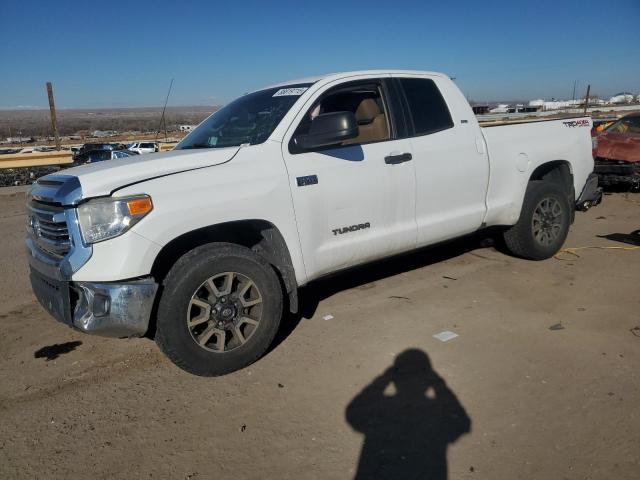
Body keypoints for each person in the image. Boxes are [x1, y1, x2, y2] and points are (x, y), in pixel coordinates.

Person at [346, 349, 471, 480]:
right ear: (427, 380)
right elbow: (462, 422)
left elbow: (353, 411)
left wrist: (384, 378)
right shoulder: (436, 412)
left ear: (395, 379)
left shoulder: (382, 408)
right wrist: (438, 383)